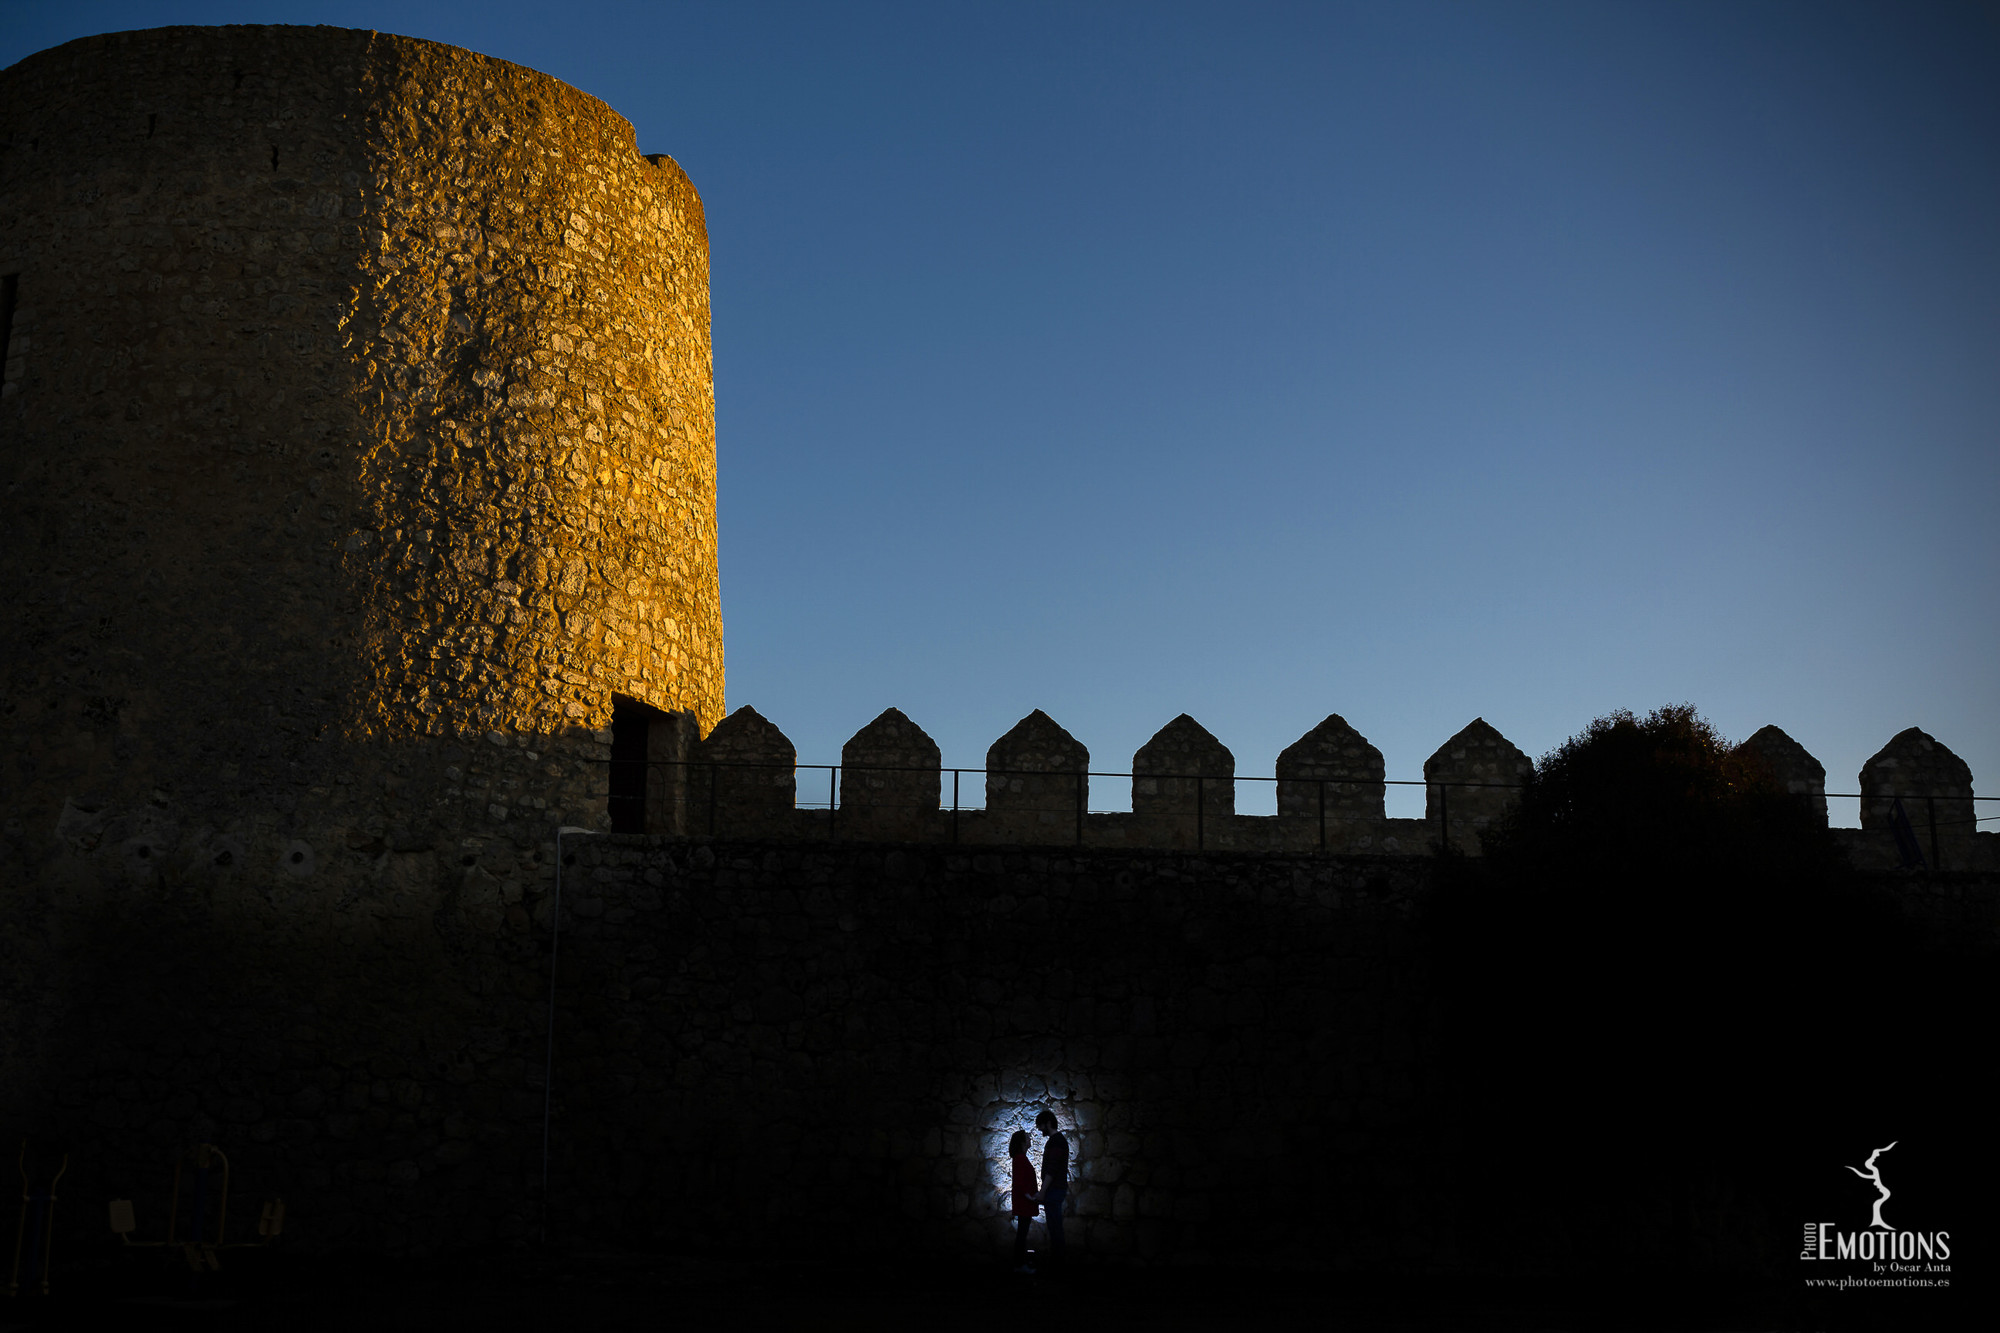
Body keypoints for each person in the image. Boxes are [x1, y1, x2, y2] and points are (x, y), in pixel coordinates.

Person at [1036, 1109, 1069, 1272]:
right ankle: (1058, 1265)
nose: (1039, 1129)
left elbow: (1052, 1169)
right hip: (1056, 1190)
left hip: (1054, 1190)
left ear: (1048, 1123)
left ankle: (1058, 1266)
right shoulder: (1056, 1141)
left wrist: (1043, 1191)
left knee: (1055, 1228)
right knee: (1055, 1227)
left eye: (1040, 1125)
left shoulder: (1056, 1142)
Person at [1008, 1129, 1039, 1272]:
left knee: (1022, 1233)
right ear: (1022, 1142)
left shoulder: (1020, 1158)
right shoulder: (1020, 1159)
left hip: (1024, 1203)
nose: (1030, 1139)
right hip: (1024, 1203)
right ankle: (1019, 1265)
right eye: (1027, 1138)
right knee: (1022, 1234)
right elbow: (1020, 1183)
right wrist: (1030, 1197)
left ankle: (1019, 1264)